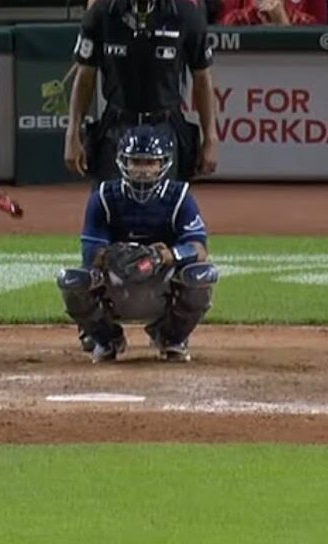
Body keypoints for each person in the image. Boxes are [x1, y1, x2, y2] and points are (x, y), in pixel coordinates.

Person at [56, 125, 218, 363]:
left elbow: (199, 249)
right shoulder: (104, 196)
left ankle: (171, 336)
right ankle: (106, 337)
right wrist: (116, 256)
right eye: (136, 162)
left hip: (162, 280)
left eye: (149, 163)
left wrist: (164, 256)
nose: (142, 170)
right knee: (71, 280)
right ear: (123, 162)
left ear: (163, 164)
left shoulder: (180, 197)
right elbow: (91, 251)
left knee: (203, 275)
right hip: (117, 280)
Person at [64, 0, 220, 187]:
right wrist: (72, 134)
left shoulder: (186, 14)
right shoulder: (102, 12)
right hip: (116, 125)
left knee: (165, 207)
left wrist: (210, 137)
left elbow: (202, 79)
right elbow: (85, 78)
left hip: (166, 125)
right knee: (109, 205)